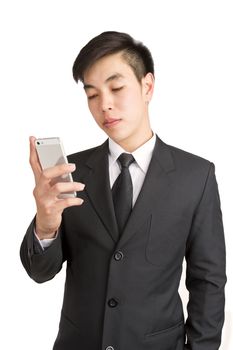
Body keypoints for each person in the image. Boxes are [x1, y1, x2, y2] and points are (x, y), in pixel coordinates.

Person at [20, 31, 226, 350]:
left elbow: (208, 282)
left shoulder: (196, 176)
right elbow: (40, 273)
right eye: (92, 94)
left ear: (147, 87)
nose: (105, 105)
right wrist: (46, 225)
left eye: (116, 88)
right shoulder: (69, 172)